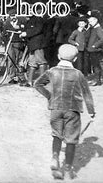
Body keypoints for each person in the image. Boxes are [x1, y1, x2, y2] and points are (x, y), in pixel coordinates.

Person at [34, 44, 95, 180]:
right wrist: (91, 111)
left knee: (57, 135)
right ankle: (67, 169)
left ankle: (55, 157)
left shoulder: (52, 71)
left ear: (58, 56)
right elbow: (87, 94)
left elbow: (37, 84)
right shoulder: (78, 74)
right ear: (75, 59)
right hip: (72, 110)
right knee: (71, 140)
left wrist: (50, 96)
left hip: (56, 108)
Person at [20, 14, 47, 87]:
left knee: (41, 61)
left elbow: (38, 29)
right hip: (32, 45)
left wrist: (27, 33)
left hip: (38, 44)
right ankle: (30, 82)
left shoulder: (38, 19)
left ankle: (41, 81)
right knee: (32, 63)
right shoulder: (28, 20)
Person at [85, 16, 103, 86]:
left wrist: (95, 45)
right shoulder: (93, 28)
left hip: (95, 50)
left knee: (96, 65)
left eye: (91, 21)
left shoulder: (98, 29)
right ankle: (97, 80)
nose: (90, 23)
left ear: (96, 21)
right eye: (89, 22)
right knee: (95, 65)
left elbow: (102, 39)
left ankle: (97, 80)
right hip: (92, 50)